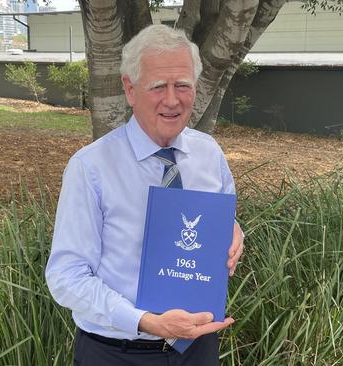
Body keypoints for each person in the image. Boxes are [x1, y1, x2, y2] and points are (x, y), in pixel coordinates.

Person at [45, 24, 244, 366]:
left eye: (182, 85)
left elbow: (220, 225)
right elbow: (67, 276)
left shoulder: (209, 154)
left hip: (198, 351)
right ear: (130, 89)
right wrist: (145, 320)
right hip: (117, 354)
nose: (172, 100)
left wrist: (234, 231)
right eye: (157, 87)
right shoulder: (91, 168)